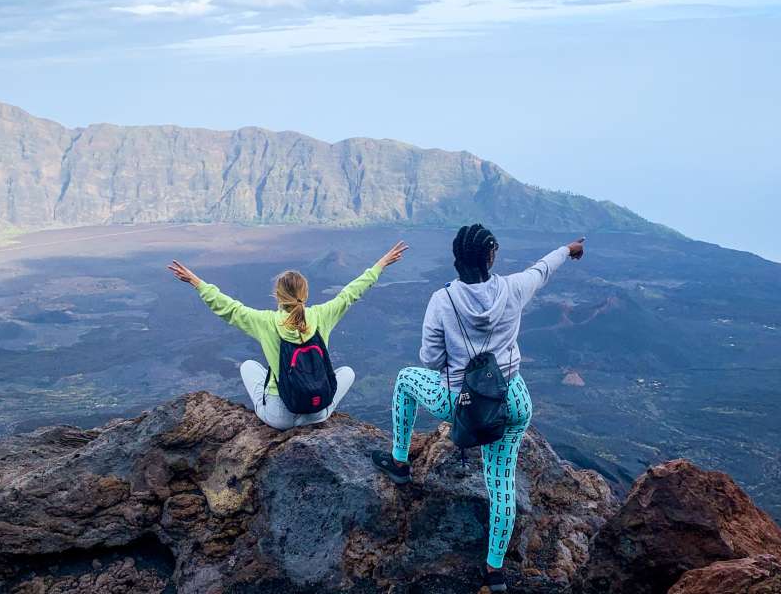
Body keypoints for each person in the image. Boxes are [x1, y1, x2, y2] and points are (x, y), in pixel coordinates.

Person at [371, 224, 584, 592]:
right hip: (512, 401)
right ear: (490, 257)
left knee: (406, 379)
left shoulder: (443, 300)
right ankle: (495, 571)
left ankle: (400, 462)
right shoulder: (514, 288)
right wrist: (568, 249)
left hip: (462, 403)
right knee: (501, 484)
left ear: (457, 259)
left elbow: (431, 359)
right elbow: (543, 269)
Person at [167, 241, 408, 430]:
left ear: (277, 296)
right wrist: (381, 264)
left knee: (249, 366)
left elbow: (229, 308)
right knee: (348, 373)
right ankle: (313, 414)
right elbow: (350, 293)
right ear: (306, 293)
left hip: (279, 417)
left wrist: (196, 282)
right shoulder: (321, 315)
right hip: (317, 413)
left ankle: (273, 408)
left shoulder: (266, 322)